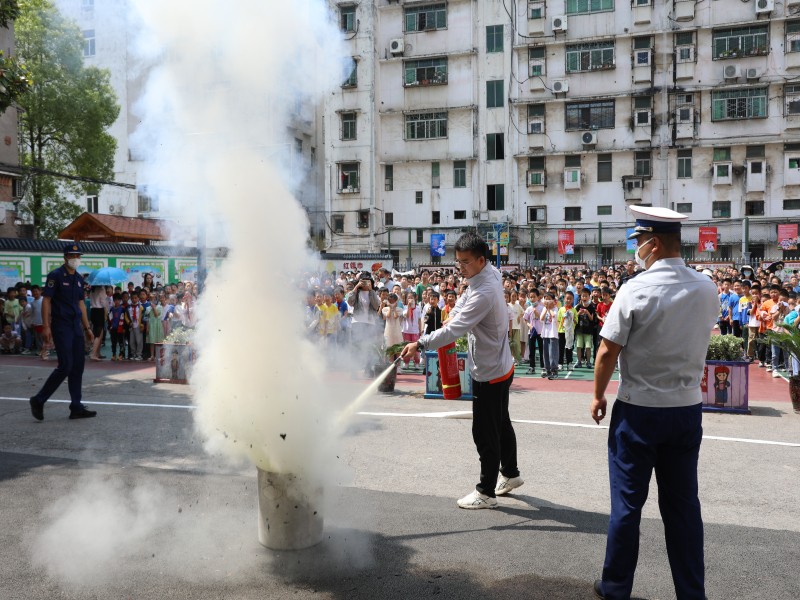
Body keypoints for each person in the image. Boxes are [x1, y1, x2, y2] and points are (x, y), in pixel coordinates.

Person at [590, 206, 718, 600]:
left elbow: (607, 351)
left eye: (639, 242)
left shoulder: (635, 288)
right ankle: (691, 593)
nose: (637, 249)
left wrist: (597, 395)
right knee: (683, 507)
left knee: (627, 507)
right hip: (685, 409)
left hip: (639, 409)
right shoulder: (706, 287)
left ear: (654, 243)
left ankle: (615, 588)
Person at [400, 232, 522, 510]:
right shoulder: (489, 273)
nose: (461, 269)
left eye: (465, 263)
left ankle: (486, 492)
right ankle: (511, 474)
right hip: (501, 365)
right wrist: (455, 310)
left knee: (484, 432)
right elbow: (466, 295)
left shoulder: (485, 292)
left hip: (489, 372)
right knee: (501, 424)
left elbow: (456, 329)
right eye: (458, 262)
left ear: (481, 260)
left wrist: (420, 342)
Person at [29, 244, 98, 420]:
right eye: (73, 255)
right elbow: (47, 300)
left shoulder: (79, 279)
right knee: (66, 365)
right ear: (65, 257)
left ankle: (76, 406)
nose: (76, 258)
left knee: (78, 367)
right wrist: (46, 326)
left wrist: (87, 328)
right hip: (61, 325)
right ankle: (39, 399)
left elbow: (81, 304)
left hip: (75, 326)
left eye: (78, 255)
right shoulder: (56, 275)